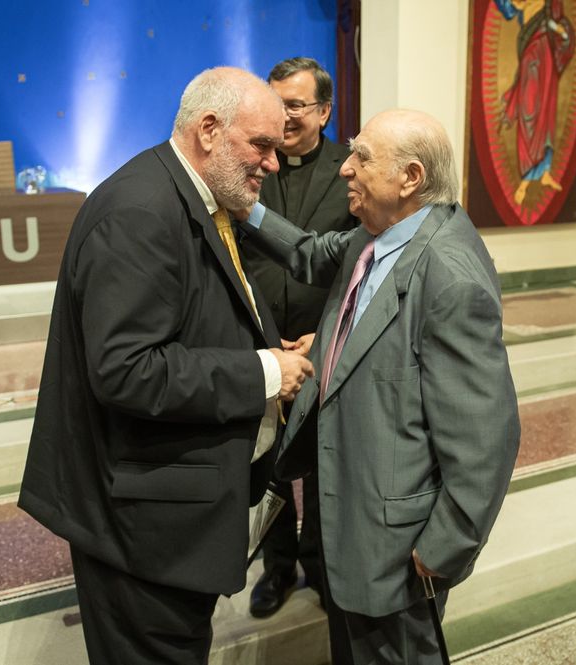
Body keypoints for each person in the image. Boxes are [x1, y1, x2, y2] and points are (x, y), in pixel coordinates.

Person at [17, 66, 315, 665]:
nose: (274, 164)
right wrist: (264, 373)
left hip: (167, 516)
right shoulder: (141, 212)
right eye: (261, 145)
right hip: (139, 529)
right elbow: (127, 369)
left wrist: (267, 353)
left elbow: (189, 318)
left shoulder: (191, 192)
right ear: (208, 129)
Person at [240, 109, 521, 664]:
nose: (345, 169)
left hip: (398, 548)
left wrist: (445, 547)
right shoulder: (375, 237)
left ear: (410, 178)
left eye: (362, 157)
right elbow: (310, 256)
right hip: (353, 516)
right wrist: (242, 206)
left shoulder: (448, 274)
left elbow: (486, 438)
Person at [242, 56, 358, 619]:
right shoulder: (247, 162)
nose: (283, 116)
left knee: (319, 459)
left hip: (324, 341)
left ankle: (320, 561)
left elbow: (354, 262)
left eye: (295, 104)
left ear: (324, 110)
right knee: (265, 461)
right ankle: (278, 566)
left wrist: (329, 330)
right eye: (276, 102)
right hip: (259, 342)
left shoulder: (351, 169)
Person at [495, 0, 575, 205]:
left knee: (545, 119)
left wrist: (560, 31)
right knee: (528, 116)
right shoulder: (523, 8)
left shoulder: (549, 7)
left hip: (545, 64)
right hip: (530, 61)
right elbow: (510, 8)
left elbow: (564, 31)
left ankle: (544, 172)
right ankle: (526, 179)